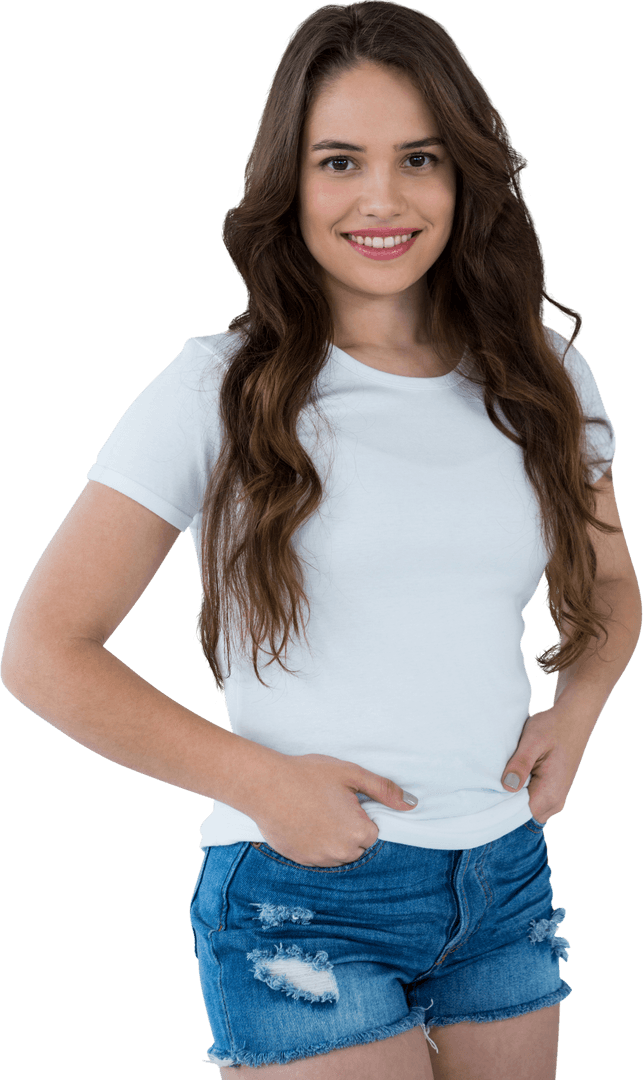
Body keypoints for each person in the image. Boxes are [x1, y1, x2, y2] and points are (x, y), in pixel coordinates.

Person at [2, 2, 640, 1078]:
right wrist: (262, 783)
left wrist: (574, 714)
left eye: (419, 159)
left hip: (501, 875)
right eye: (338, 161)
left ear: (463, 176)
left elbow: (613, 584)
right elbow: (44, 650)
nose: (381, 199)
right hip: (304, 892)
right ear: (287, 185)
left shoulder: (541, 374)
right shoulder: (217, 385)